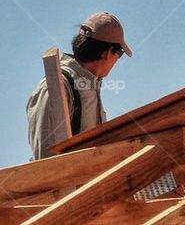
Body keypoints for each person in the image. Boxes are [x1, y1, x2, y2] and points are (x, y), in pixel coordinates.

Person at [26, 12, 133, 159]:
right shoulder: (56, 87)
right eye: (119, 54)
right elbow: (44, 159)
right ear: (109, 53)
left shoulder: (89, 86)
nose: (117, 60)